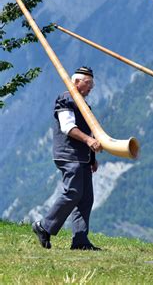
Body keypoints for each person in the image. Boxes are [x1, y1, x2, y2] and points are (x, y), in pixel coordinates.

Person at [32, 66, 102, 251]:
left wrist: (92, 157)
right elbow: (67, 127)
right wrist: (88, 141)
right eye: (88, 83)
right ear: (75, 82)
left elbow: (90, 132)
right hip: (69, 156)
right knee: (73, 192)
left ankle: (80, 241)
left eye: (92, 84)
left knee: (86, 198)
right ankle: (44, 226)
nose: (91, 87)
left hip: (82, 158)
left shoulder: (83, 104)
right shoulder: (66, 100)